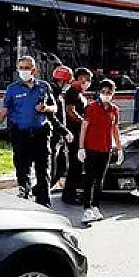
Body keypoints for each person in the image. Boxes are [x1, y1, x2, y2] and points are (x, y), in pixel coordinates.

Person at [0, 56, 57, 207]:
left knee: (43, 169)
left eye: (27, 68)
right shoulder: (13, 89)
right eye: (21, 68)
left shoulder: (44, 87)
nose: (24, 71)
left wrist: (45, 108)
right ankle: (24, 199)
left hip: (40, 133)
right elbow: (4, 110)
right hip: (20, 133)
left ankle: (44, 202)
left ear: (34, 70)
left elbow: (54, 107)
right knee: (22, 168)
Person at [77, 79, 123, 224]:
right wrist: (81, 147)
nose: (106, 95)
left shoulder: (114, 110)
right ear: (99, 92)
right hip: (91, 148)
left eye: (109, 92)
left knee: (99, 180)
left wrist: (119, 147)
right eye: (103, 92)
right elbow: (84, 127)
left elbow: (115, 129)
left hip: (106, 149)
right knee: (89, 179)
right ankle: (87, 208)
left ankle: (96, 206)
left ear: (113, 93)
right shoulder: (91, 108)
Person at [62, 67, 93, 205]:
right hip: (74, 133)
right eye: (88, 79)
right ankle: (69, 194)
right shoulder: (73, 92)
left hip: (80, 133)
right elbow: (70, 112)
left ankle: (72, 192)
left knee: (78, 164)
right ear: (81, 78)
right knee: (76, 164)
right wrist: (84, 123)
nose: (89, 83)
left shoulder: (79, 93)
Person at [49, 65, 75, 190]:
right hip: (53, 134)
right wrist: (64, 131)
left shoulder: (59, 94)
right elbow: (52, 116)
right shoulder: (52, 94)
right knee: (54, 166)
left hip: (59, 134)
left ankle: (50, 184)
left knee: (62, 165)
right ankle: (43, 189)